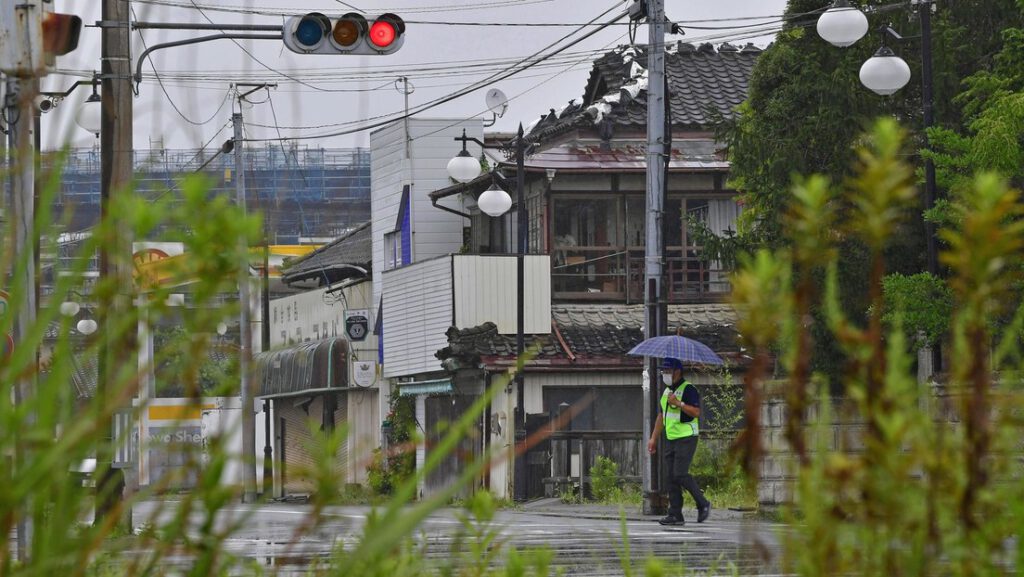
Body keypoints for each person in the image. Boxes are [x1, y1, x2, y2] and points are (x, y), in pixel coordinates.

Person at [647, 357, 711, 525]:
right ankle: (675, 514)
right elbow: (661, 416)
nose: (665, 374)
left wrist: (679, 403)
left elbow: (696, 412)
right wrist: (653, 438)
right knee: (670, 477)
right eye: (663, 371)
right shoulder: (666, 392)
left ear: (677, 371)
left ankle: (703, 503)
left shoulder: (688, 389)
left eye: (667, 371)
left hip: (687, 436)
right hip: (671, 438)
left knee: (680, 474)